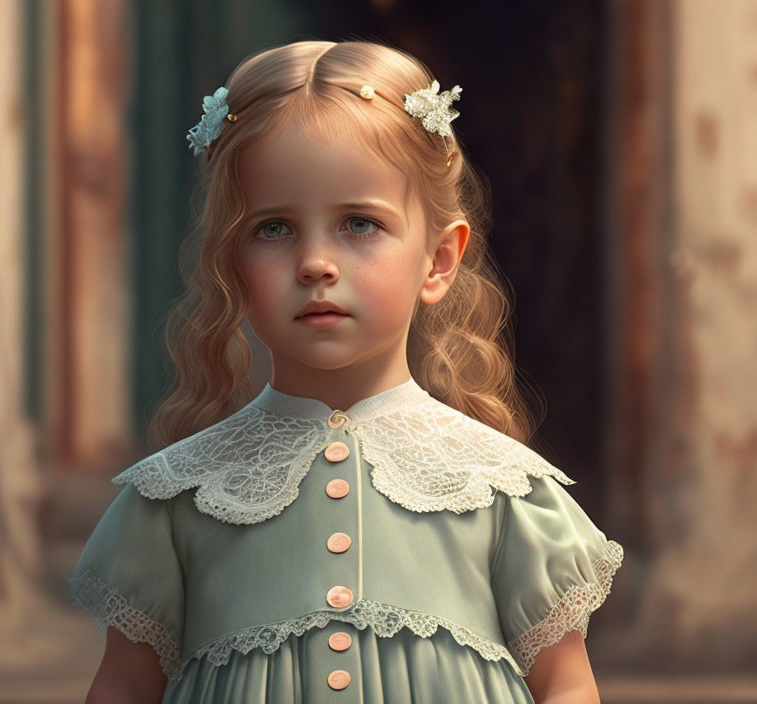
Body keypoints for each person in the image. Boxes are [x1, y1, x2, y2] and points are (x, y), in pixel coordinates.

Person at [69, 38, 624, 703]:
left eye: (359, 223)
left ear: (439, 260)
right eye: (273, 228)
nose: (315, 264)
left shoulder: (500, 489)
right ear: (232, 262)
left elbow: (564, 684)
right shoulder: (178, 497)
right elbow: (124, 689)